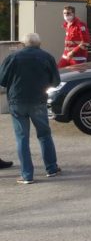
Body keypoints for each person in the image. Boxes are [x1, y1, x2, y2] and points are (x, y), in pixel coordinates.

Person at [0, 33, 61, 184]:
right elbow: (56, 81)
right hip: (38, 101)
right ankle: (51, 168)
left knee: (22, 138)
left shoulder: (13, 57)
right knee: (45, 135)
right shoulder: (47, 57)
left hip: (17, 102)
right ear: (39, 44)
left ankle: (27, 175)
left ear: (23, 44)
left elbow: (2, 80)